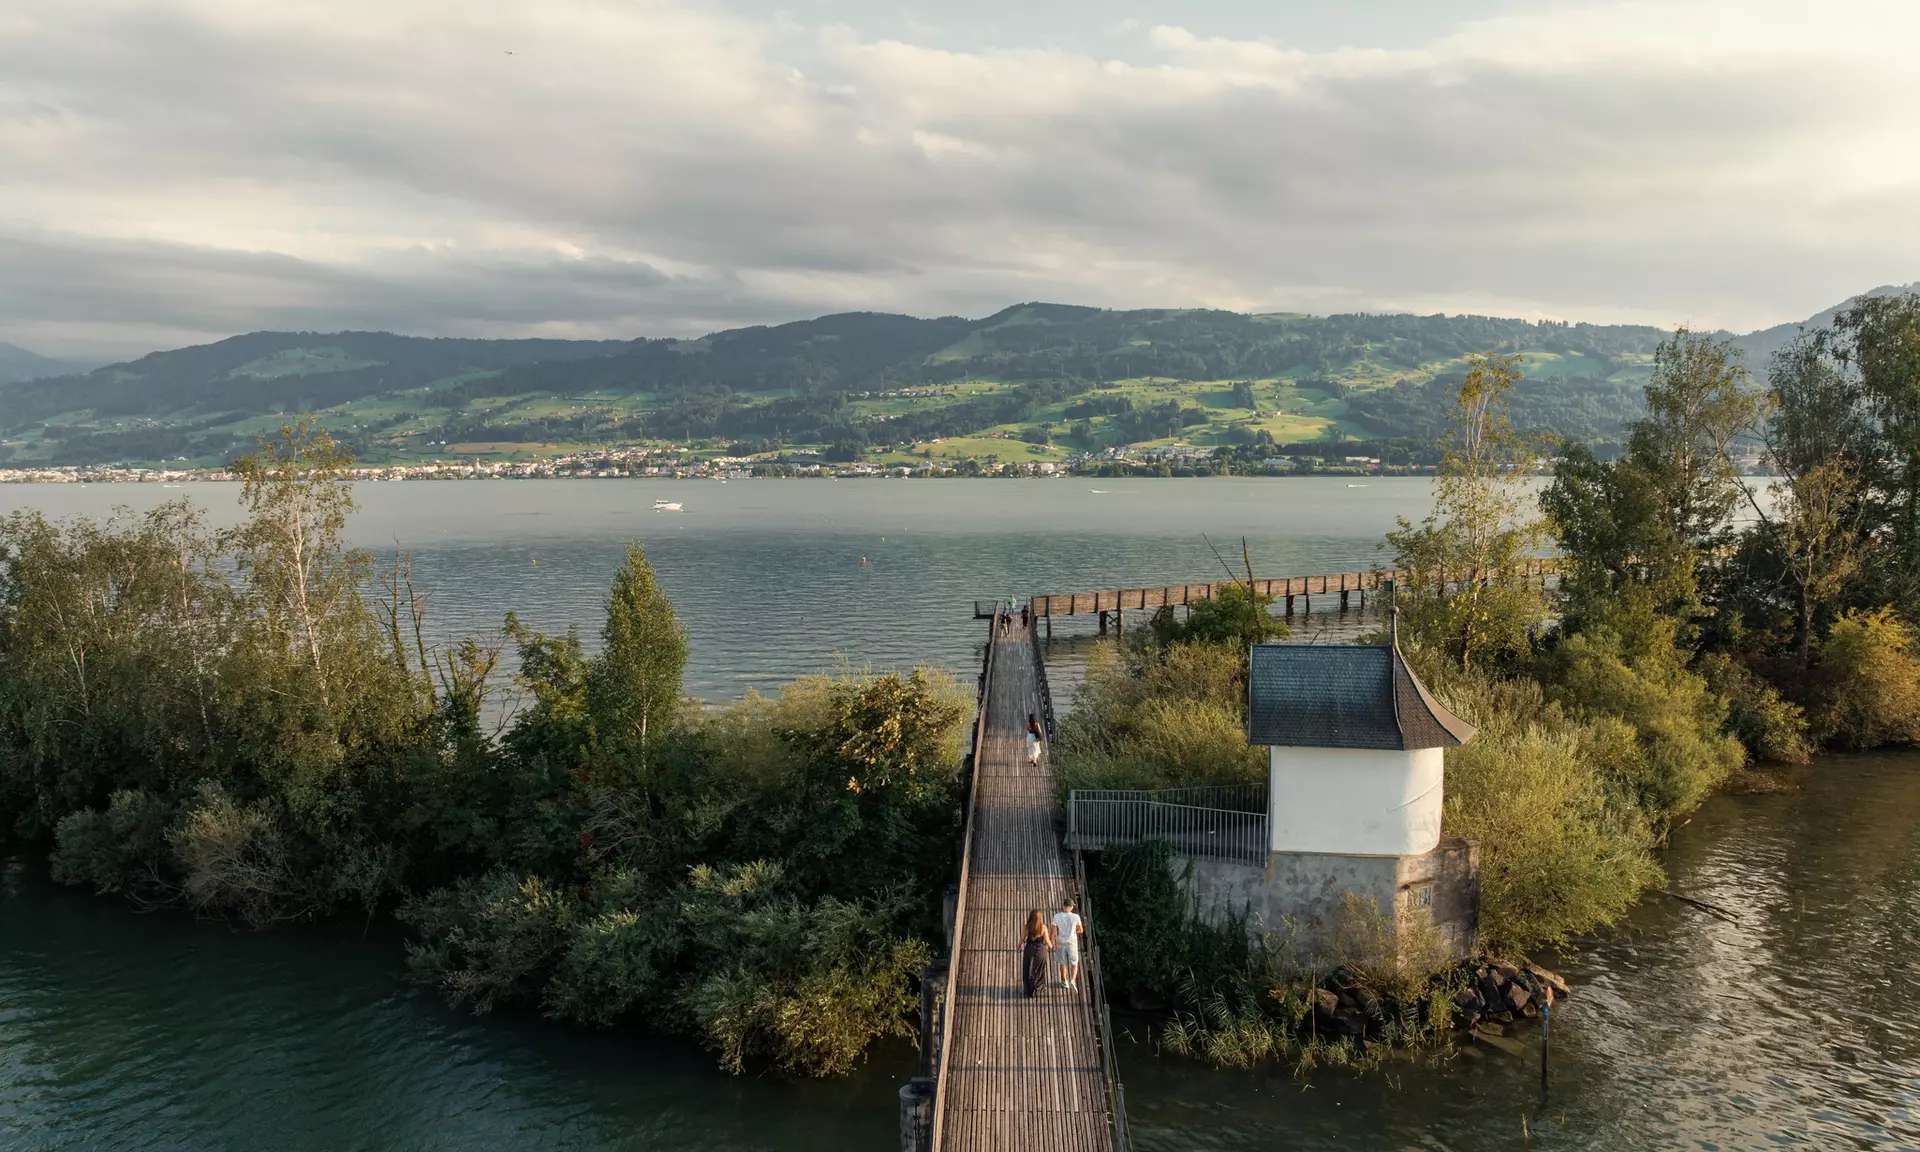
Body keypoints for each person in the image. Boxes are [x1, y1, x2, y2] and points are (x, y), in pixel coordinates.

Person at [1051, 897, 1084, 992]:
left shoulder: (1056, 916)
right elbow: (1081, 930)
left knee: (1063, 963)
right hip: (1072, 943)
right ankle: (1072, 980)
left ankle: (1064, 981)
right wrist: (1074, 930)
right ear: (1070, 907)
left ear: (1063, 906)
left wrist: (1051, 943)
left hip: (1061, 942)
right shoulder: (1076, 917)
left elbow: (1053, 932)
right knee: (1074, 963)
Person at [1020, 909, 1053, 997]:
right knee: (1039, 971)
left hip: (1029, 950)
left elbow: (1022, 939)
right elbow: (1047, 940)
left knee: (1027, 969)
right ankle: (1038, 990)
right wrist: (1051, 947)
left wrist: (1018, 946)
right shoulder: (1043, 927)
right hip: (1041, 951)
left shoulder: (1026, 926)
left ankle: (1029, 991)